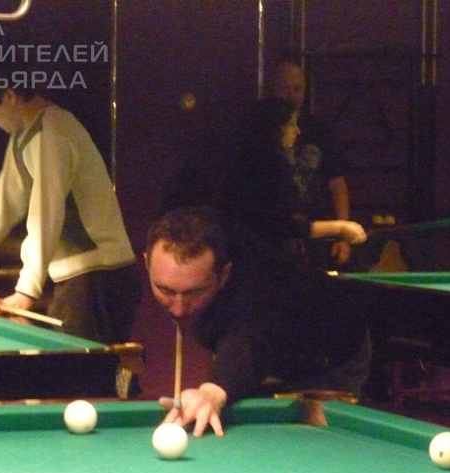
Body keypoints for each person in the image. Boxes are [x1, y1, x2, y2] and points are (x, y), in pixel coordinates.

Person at [0, 67, 141, 348]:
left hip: (100, 276)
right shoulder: (24, 135)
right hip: (83, 279)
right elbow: (0, 205)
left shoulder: (53, 130)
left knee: (85, 371)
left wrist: (25, 292)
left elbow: (46, 212)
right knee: (72, 369)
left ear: (9, 96)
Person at [145, 206, 371, 437]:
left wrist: (212, 391)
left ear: (224, 275)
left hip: (330, 350)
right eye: (166, 290)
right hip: (266, 354)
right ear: (147, 263)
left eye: (194, 292)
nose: (179, 309)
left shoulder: (257, 291)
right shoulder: (208, 235)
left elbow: (248, 339)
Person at [220, 95, 366, 260]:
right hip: (261, 257)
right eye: (292, 124)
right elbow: (282, 224)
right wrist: (339, 227)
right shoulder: (271, 166)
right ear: (276, 128)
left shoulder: (245, 160)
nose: (298, 131)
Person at [269, 60, 356, 270]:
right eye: (284, 88)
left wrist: (342, 235)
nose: (291, 94)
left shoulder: (319, 130)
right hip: (273, 235)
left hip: (315, 232)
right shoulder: (260, 133)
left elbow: (337, 182)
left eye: (297, 88)